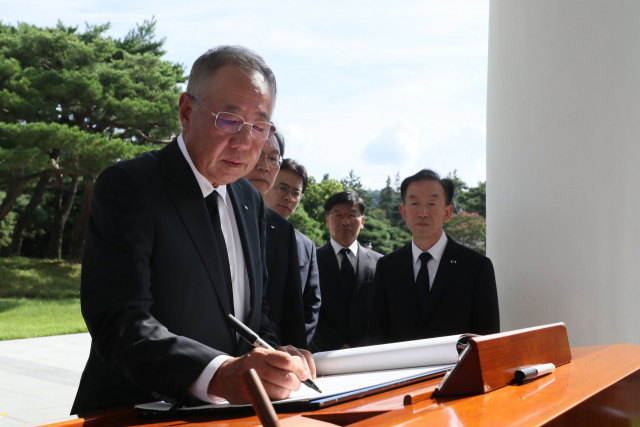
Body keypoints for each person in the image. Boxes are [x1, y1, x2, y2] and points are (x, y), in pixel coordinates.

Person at [72, 46, 314, 415]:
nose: (244, 142)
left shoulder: (248, 198)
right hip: (135, 412)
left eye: (259, 127)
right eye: (229, 119)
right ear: (186, 111)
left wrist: (272, 357)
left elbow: (253, 311)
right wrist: (219, 374)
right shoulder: (130, 185)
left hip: (232, 415)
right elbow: (120, 320)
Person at [365, 169, 499, 345]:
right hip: (402, 371)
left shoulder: (476, 267)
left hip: (457, 370)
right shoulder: (387, 266)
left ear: (447, 212)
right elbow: (377, 332)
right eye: (414, 204)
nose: (422, 213)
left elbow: (487, 338)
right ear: (403, 212)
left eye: (432, 204)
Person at [243, 133, 307, 349]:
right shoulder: (211, 209)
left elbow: (292, 309)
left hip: (271, 353)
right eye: (258, 154)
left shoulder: (283, 229)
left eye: (273, 158)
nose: (264, 166)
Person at [310, 191, 382, 352]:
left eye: (352, 215)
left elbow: (383, 312)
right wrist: (337, 345)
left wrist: (363, 347)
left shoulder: (380, 263)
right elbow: (305, 309)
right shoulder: (310, 260)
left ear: (362, 221)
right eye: (338, 215)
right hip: (322, 354)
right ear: (327, 220)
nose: (345, 221)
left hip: (369, 353)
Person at [264, 159, 321, 347]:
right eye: (282, 188)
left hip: (290, 349)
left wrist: (294, 345)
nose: (289, 197)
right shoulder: (243, 230)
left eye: (296, 193)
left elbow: (311, 305)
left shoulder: (307, 245)